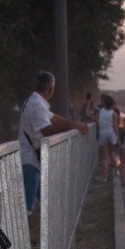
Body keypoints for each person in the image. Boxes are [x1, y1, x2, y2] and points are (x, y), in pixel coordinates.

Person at [18, 71, 90, 213]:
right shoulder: (37, 105)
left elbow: (55, 118)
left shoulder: (35, 101)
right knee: (27, 207)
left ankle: (37, 230)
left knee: (41, 199)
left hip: (33, 158)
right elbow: (47, 130)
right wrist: (72, 126)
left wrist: (74, 125)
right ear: (51, 88)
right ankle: (27, 233)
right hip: (30, 160)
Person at [96, 94, 121, 184]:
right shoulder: (114, 114)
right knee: (111, 153)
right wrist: (118, 138)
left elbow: (97, 122)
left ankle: (104, 177)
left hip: (102, 133)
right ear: (112, 104)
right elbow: (115, 127)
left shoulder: (101, 111)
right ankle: (117, 171)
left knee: (103, 157)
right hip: (111, 133)